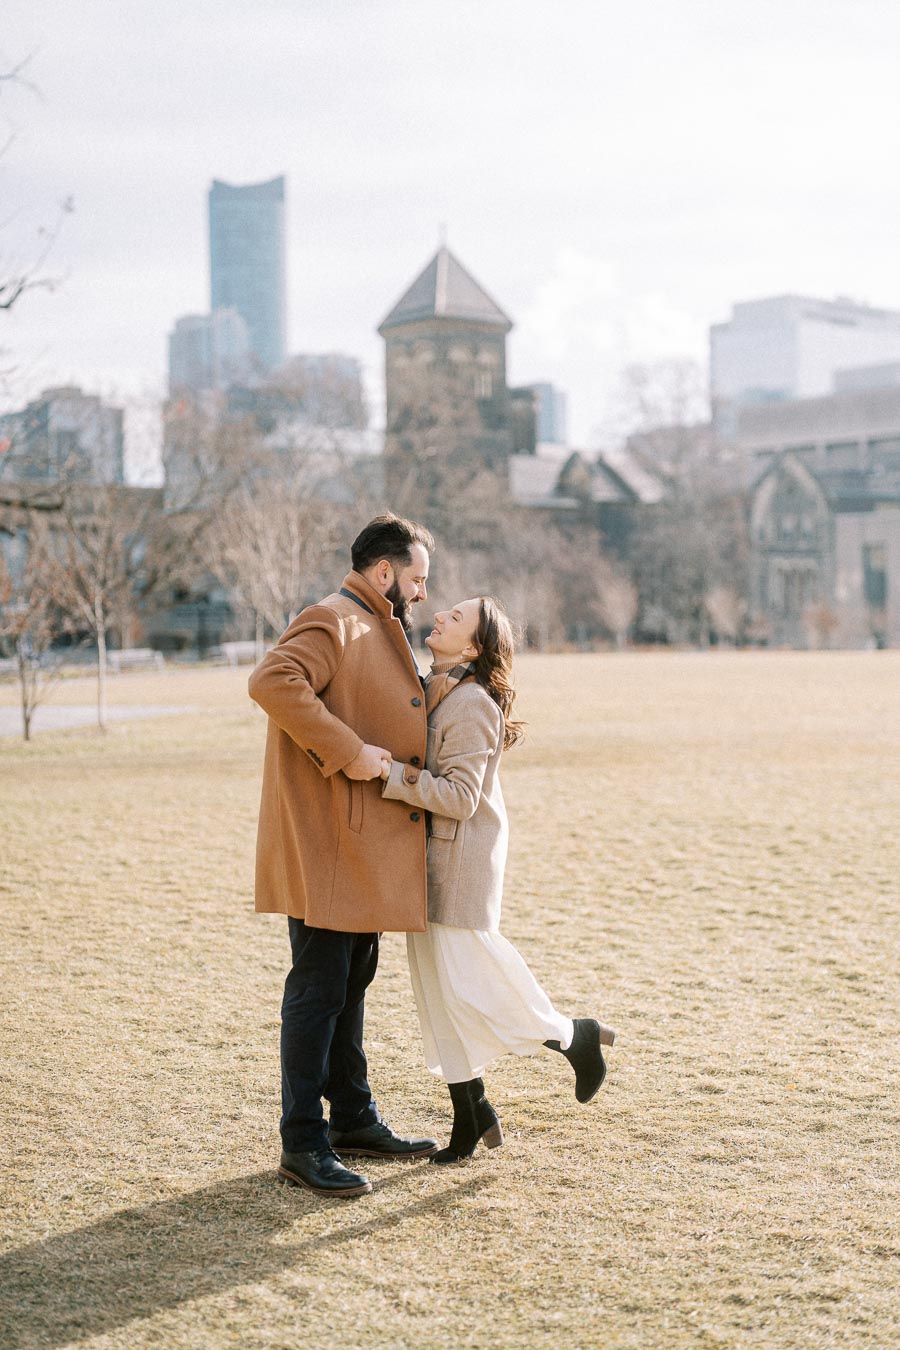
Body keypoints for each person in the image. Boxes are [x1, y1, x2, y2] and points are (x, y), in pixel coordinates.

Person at [379, 596, 617, 1164]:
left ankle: (572, 1036)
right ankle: (471, 1112)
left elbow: (461, 798)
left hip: (457, 864)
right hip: (428, 864)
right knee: (439, 996)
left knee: (474, 982)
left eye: (456, 618)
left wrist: (391, 776)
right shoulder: (434, 687)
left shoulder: (470, 703)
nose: (440, 616)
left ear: (475, 647)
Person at [248, 513, 440, 1198]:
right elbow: (272, 682)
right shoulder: (333, 618)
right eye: (416, 580)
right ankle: (302, 1142)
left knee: (350, 982)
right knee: (319, 988)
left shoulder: (371, 622)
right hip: (332, 843)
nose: (421, 594)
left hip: (357, 843)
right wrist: (350, 752)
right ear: (383, 571)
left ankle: (352, 1119)